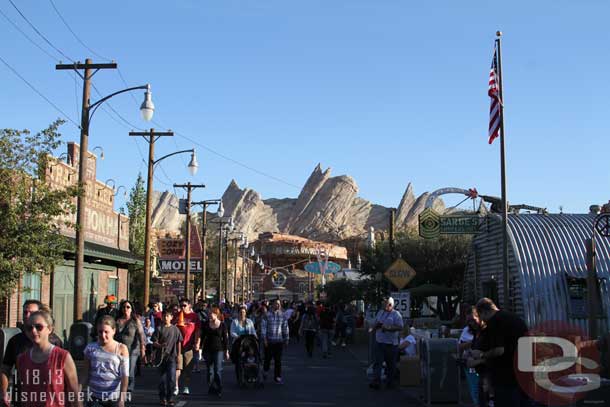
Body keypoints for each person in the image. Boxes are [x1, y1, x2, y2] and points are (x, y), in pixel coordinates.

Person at [1, 300, 63, 406]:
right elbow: (5, 369)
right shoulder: (15, 341)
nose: (27, 315)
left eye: (31, 312)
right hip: (22, 398)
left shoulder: (54, 341)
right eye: (25, 312)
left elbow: (62, 374)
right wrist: (3, 392)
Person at [14, 310, 80, 407]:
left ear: (49, 329)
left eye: (39, 327)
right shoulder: (22, 359)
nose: (33, 331)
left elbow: (74, 393)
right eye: (29, 328)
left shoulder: (62, 356)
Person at [470, 298, 529, 407]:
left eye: (480, 316)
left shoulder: (495, 321)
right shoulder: (513, 317)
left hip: (506, 376)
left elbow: (499, 350)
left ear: (484, 312)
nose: (482, 320)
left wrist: (482, 355)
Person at [82, 315, 129, 407]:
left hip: (113, 399)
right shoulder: (90, 348)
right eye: (100, 332)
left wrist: (121, 399)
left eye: (106, 332)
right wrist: (77, 391)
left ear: (114, 331)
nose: (103, 335)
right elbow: (85, 374)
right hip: (94, 397)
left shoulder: (121, 348)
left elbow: (125, 376)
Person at [369, 297, 404, 390]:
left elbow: (400, 327)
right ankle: (376, 381)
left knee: (390, 364)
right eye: (383, 304)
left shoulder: (396, 314)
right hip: (379, 342)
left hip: (391, 344)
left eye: (385, 304)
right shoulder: (381, 312)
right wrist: (373, 328)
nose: (383, 305)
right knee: (377, 362)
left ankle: (390, 382)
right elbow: (377, 322)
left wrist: (388, 328)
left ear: (390, 305)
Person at [152, 309, 183, 407]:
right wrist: (160, 345)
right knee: (162, 380)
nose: (165, 318)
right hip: (160, 357)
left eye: (168, 316)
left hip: (172, 357)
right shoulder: (159, 329)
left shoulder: (175, 329)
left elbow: (179, 342)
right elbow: (154, 342)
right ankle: (162, 398)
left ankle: (170, 398)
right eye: (164, 316)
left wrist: (179, 355)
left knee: (172, 378)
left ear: (171, 317)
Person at [114, 300, 146, 394]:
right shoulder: (117, 320)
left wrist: (142, 349)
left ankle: (129, 388)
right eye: (124, 307)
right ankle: (120, 386)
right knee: (119, 369)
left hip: (133, 349)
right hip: (119, 348)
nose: (126, 309)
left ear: (131, 309)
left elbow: (141, 335)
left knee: (130, 369)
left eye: (128, 307)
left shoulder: (135, 321)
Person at [173, 298, 201, 396]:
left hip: (189, 346)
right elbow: (171, 326)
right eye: (181, 306)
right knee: (177, 367)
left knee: (187, 368)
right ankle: (176, 387)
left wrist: (197, 342)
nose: (182, 307)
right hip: (178, 346)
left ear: (189, 306)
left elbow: (197, 331)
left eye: (184, 305)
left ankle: (186, 386)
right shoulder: (176, 316)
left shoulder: (194, 316)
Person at [201, 307, 229, 397]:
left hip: (218, 349)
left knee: (217, 370)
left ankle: (219, 388)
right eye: (209, 314)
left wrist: (226, 351)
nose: (209, 315)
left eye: (211, 314)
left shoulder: (222, 325)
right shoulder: (206, 324)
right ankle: (211, 387)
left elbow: (225, 339)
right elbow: (202, 336)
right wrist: (200, 347)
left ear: (216, 314)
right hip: (207, 349)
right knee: (210, 371)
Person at [261, 299, 289, 384]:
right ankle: (265, 372)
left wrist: (286, 338)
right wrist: (264, 339)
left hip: (279, 341)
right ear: (272, 305)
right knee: (267, 359)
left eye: (279, 304)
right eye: (276, 304)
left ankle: (277, 377)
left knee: (278, 360)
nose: (277, 305)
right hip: (269, 341)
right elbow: (263, 327)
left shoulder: (283, 315)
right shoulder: (267, 315)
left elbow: (285, 327)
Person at [460, 306, 482, 407]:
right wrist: (472, 342)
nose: (471, 323)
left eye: (473, 320)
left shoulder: (485, 329)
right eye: (469, 321)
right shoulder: (466, 330)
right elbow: (460, 346)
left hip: (482, 362)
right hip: (470, 364)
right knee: (474, 388)